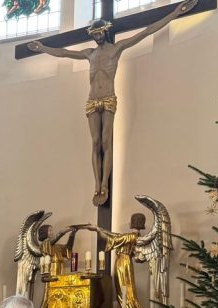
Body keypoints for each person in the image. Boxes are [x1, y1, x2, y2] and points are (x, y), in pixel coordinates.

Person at [27, 0, 197, 206]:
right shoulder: (89, 54)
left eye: (99, 33)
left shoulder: (116, 49)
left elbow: (146, 31)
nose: (97, 36)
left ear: (106, 31)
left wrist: (175, 13)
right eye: (94, 34)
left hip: (108, 98)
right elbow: (64, 53)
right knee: (95, 143)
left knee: (106, 142)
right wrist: (42, 48)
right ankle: (96, 184)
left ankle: (104, 185)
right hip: (92, 100)